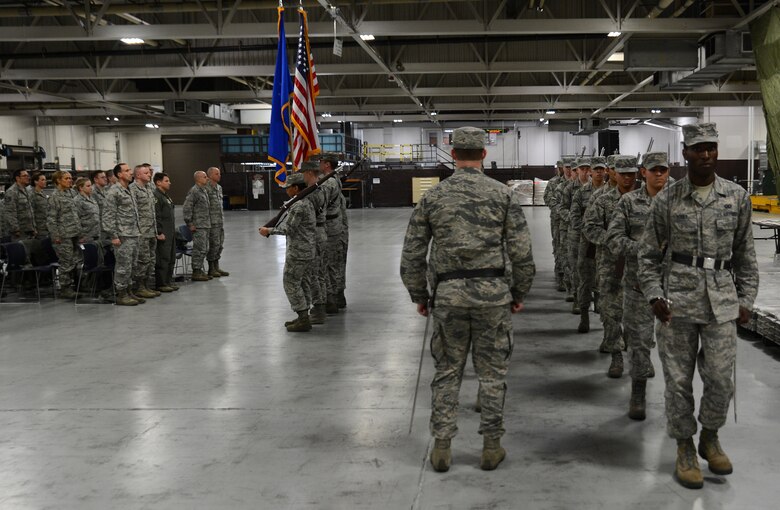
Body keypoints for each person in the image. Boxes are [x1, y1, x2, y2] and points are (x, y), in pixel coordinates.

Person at [400, 126, 535, 473]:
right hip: (493, 298)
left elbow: (412, 253)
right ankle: (491, 446)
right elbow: (521, 253)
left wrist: (420, 295)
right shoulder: (503, 195)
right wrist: (518, 293)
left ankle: (442, 447)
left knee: (447, 371)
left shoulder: (433, 197)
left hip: (449, 297)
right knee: (492, 374)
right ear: (484, 155)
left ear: (454, 154)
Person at [638, 123, 758, 489]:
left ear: (716, 152)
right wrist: (654, 295)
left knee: (721, 379)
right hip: (678, 302)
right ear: (685, 154)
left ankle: (710, 435)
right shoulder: (668, 200)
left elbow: (745, 254)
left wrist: (747, 298)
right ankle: (685, 446)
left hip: (722, 301)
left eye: (711, 147)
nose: (705, 154)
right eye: (697, 148)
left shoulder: (735, 197)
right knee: (677, 382)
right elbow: (646, 255)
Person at [606, 152, 670, 421]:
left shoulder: (678, 202)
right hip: (638, 285)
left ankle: (677, 399)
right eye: (654, 170)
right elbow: (613, 239)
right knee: (640, 343)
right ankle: (638, 392)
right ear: (644, 172)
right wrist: (644, 249)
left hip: (675, 287)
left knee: (675, 347)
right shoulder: (629, 203)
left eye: (663, 170)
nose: (659, 175)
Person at [583, 155, 638, 377]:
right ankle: (616, 355)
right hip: (609, 263)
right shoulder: (603, 200)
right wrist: (613, 240)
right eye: (622, 173)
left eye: (630, 173)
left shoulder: (645, 200)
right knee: (610, 310)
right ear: (612, 173)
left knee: (637, 312)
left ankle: (637, 354)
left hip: (637, 265)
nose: (626, 178)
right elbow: (590, 227)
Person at [259, 172, 316, 332]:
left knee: (290, 282)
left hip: (298, 252)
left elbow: (288, 228)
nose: (286, 191)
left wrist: (268, 230)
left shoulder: (298, 205)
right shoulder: (306, 202)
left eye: (288, 188)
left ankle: (303, 319)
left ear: (296, 188)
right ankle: (303, 316)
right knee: (303, 282)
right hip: (307, 249)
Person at [570, 156, 606, 332]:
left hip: (605, 243)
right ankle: (584, 315)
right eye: (596, 169)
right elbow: (574, 217)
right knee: (585, 278)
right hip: (586, 242)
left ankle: (599, 304)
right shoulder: (581, 193)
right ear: (590, 171)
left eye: (602, 169)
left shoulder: (610, 192)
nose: (599, 172)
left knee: (603, 278)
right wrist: (586, 233)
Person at [103, 163, 142, 306]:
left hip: (133, 233)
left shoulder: (129, 190)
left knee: (132, 265)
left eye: (130, 170)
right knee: (123, 266)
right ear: (119, 174)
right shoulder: (114, 191)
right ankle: (120, 294)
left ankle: (129, 291)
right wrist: (113, 236)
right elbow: (108, 216)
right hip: (122, 235)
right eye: (127, 171)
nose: (130, 172)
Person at [301, 161, 328, 324]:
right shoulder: (319, 188)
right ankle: (320, 307)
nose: (302, 176)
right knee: (318, 273)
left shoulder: (313, 192)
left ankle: (318, 310)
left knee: (313, 274)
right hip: (319, 232)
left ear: (310, 173)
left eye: (304, 173)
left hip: (314, 234)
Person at [47, 171, 81, 299]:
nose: (70, 180)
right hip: (63, 235)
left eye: (71, 178)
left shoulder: (71, 193)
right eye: (66, 178)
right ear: (58, 181)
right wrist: (55, 236)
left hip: (74, 233)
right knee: (66, 262)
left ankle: (74, 284)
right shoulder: (54, 197)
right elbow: (51, 219)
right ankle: (65, 288)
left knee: (75, 260)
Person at [319, 153, 344, 314]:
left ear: (327, 164)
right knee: (334, 263)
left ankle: (331, 301)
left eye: (321, 162)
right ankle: (336, 297)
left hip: (329, 226)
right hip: (335, 225)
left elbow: (321, 205)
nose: (319, 164)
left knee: (328, 264)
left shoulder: (328, 182)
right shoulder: (334, 178)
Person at [565, 157, 591, 315]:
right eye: (582, 169)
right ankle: (576, 297)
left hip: (593, 236)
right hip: (576, 234)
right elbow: (562, 206)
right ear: (578, 170)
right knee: (576, 267)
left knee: (593, 269)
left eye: (588, 168)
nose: (585, 172)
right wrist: (571, 220)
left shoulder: (598, 189)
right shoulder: (571, 189)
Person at [130, 165, 160, 299]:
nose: (149, 175)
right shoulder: (132, 189)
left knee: (151, 260)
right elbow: (132, 212)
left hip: (151, 230)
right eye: (146, 173)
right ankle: (139, 287)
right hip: (141, 232)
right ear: (137, 175)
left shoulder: (149, 188)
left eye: (149, 173)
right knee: (142, 260)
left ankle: (147, 285)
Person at [183, 171, 212, 282]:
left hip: (205, 224)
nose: (207, 179)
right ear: (198, 179)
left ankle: (199, 270)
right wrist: (190, 223)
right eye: (205, 177)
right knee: (199, 249)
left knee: (205, 249)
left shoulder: (203, 190)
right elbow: (187, 208)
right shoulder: (194, 191)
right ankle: (196, 271)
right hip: (198, 225)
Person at [153, 172, 178, 292]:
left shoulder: (165, 195)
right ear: (158, 182)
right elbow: (156, 215)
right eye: (166, 181)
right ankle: (161, 283)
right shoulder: (156, 196)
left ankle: (168, 281)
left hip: (170, 231)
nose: (170, 183)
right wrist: (159, 231)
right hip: (163, 232)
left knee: (171, 257)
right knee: (163, 258)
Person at [543, 160, 565, 290]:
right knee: (558, 245)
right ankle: (560, 273)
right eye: (561, 167)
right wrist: (558, 209)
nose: (563, 170)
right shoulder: (553, 182)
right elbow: (547, 198)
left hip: (570, 222)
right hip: (557, 219)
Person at [206, 166, 230, 278]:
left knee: (220, 244)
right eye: (217, 174)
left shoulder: (219, 188)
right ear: (210, 175)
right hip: (211, 222)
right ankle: (211, 268)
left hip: (219, 221)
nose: (219, 175)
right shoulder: (206, 188)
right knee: (213, 245)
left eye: (219, 173)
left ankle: (216, 266)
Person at [3, 168, 36, 241]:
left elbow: (29, 210)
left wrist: (33, 227)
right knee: (21, 250)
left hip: (29, 229)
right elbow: (10, 212)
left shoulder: (26, 190)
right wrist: (16, 229)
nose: (28, 177)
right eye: (25, 176)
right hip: (20, 231)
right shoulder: (12, 192)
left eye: (28, 175)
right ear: (18, 178)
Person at [74, 177, 100, 242]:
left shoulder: (92, 198)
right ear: (81, 188)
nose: (91, 187)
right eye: (88, 186)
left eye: (91, 185)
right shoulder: (77, 200)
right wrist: (81, 236)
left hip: (96, 233)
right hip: (86, 235)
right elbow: (76, 220)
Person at [30, 171, 49, 239]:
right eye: (42, 180)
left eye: (45, 180)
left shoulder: (43, 193)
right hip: (39, 228)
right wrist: (33, 228)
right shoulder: (31, 194)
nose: (45, 181)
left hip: (46, 226)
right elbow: (30, 212)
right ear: (36, 182)